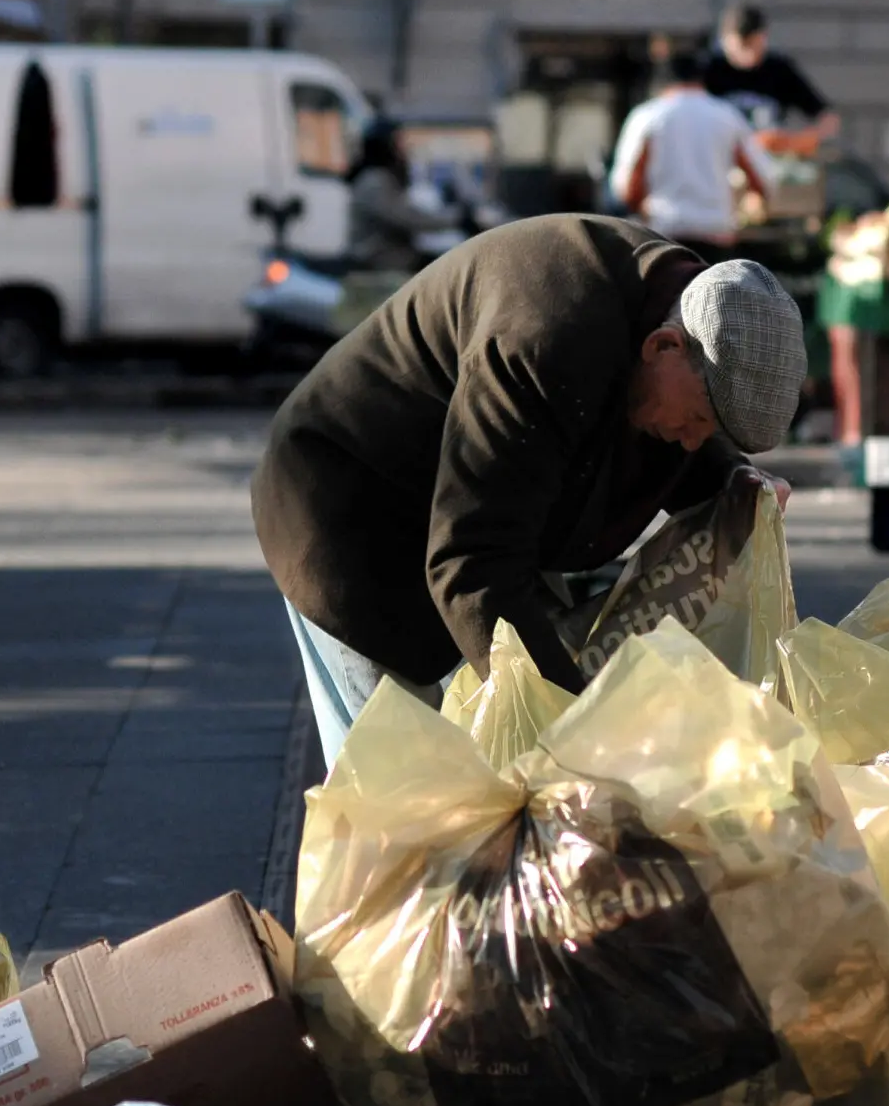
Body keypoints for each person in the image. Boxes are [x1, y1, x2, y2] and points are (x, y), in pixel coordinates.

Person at [252, 215, 806, 768]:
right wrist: (577, 726)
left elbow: (689, 406)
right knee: (404, 792)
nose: (692, 444)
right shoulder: (544, 338)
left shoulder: (674, 304)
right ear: (662, 345)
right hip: (351, 508)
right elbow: (473, 567)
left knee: (507, 766)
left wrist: (735, 482)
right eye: (697, 420)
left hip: (482, 511)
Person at [609, 51, 772, 260]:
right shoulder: (727, 116)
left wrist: (642, 208)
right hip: (716, 232)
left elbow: (626, 188)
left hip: (663, 233)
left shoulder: (647, 116)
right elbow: (761, 178)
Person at [703, 4, 839, 152]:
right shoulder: (710, 70)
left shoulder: (779, 70)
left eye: (754, 44)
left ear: (763, 38)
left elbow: (827, 118)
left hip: (766, 161)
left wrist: (794, 142)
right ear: (724, 40)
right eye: (743, 45)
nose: (748, 54)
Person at [348, 117, 458, 271]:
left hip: (394, 256)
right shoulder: (374, 181)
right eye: (398, 143)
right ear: (385, 146)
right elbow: (407, 217)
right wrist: (456, 219)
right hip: (380, 261)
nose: (404, 150)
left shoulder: (381, 178)